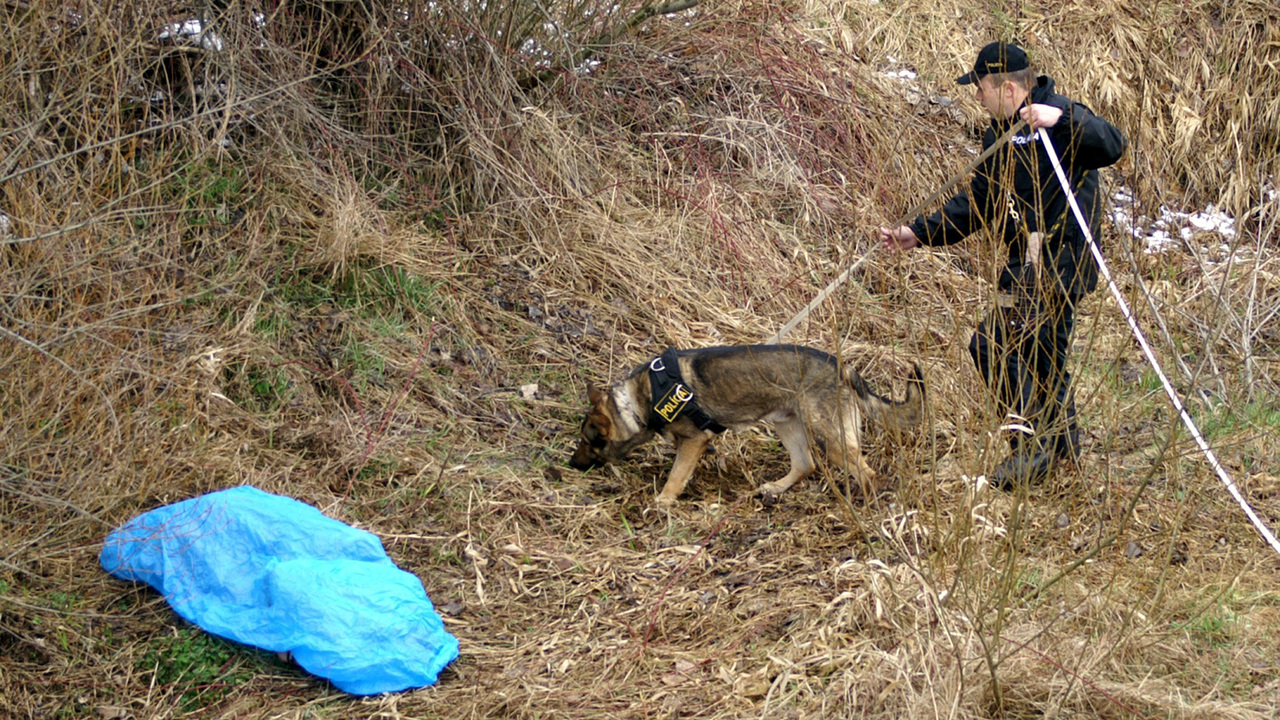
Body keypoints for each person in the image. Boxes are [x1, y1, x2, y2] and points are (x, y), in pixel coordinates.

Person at [879, 42, 1126, 489]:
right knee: (1040, 357)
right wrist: (918, 233)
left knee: (998, 345)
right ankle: (1061, 456)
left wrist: (1061, 120)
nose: (977, 97)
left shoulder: (1063, 115)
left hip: (1062, 263)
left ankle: (1033, 452)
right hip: (1021, 267)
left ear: (1007, 88)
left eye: (980, 88)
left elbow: (1112, 144)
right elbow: (978, 204)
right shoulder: (999, 136)